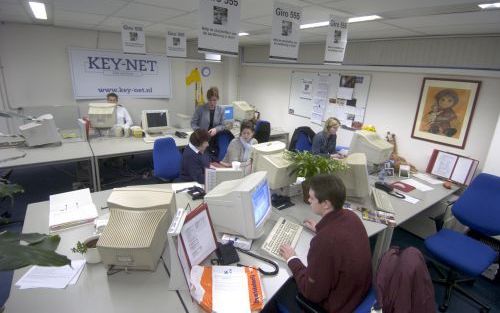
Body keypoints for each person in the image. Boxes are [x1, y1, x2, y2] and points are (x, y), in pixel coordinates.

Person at [267, 174, 372, 313]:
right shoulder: (351, 216)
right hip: (359, 294)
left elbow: (312, 294)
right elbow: (338, 239)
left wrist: (292, 258)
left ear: (326, 204)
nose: (309, 200)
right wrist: (320, 228)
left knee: (274, 294)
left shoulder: (325, 241)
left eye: (311, 198)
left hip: (337, 306)